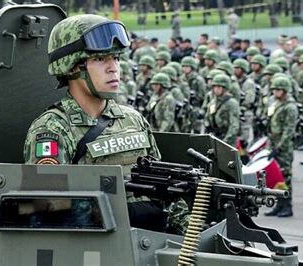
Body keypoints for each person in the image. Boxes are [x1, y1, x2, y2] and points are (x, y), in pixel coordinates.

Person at [23, 14, 189, 233]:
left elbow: (164, 190)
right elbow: (46, 209)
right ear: (72, 67)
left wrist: (190, 235)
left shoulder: (133, 119)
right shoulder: (52, 129)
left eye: (116, 58)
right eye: (100, 59)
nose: (114, 68)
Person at [264, 76, 298, 217]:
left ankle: (287, 205)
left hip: (284, 147)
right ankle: (278, 203)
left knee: (285, 176)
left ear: (284, 91)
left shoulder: (290, 107)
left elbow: (289, 130)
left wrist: (279, 147)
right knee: (275, 175)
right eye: (274, 89)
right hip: (273, 142)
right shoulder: (274, 102)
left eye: (278, 90)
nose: (275, 92)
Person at [205, 74, 240, 146]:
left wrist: (225, 142)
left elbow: (234, 125)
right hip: (214, 136)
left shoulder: (232, 103)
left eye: (218, 87)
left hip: (226, 138)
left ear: (225, 88)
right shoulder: (213, 101)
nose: (216, 89)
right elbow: (208, 118)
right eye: (214, 87)